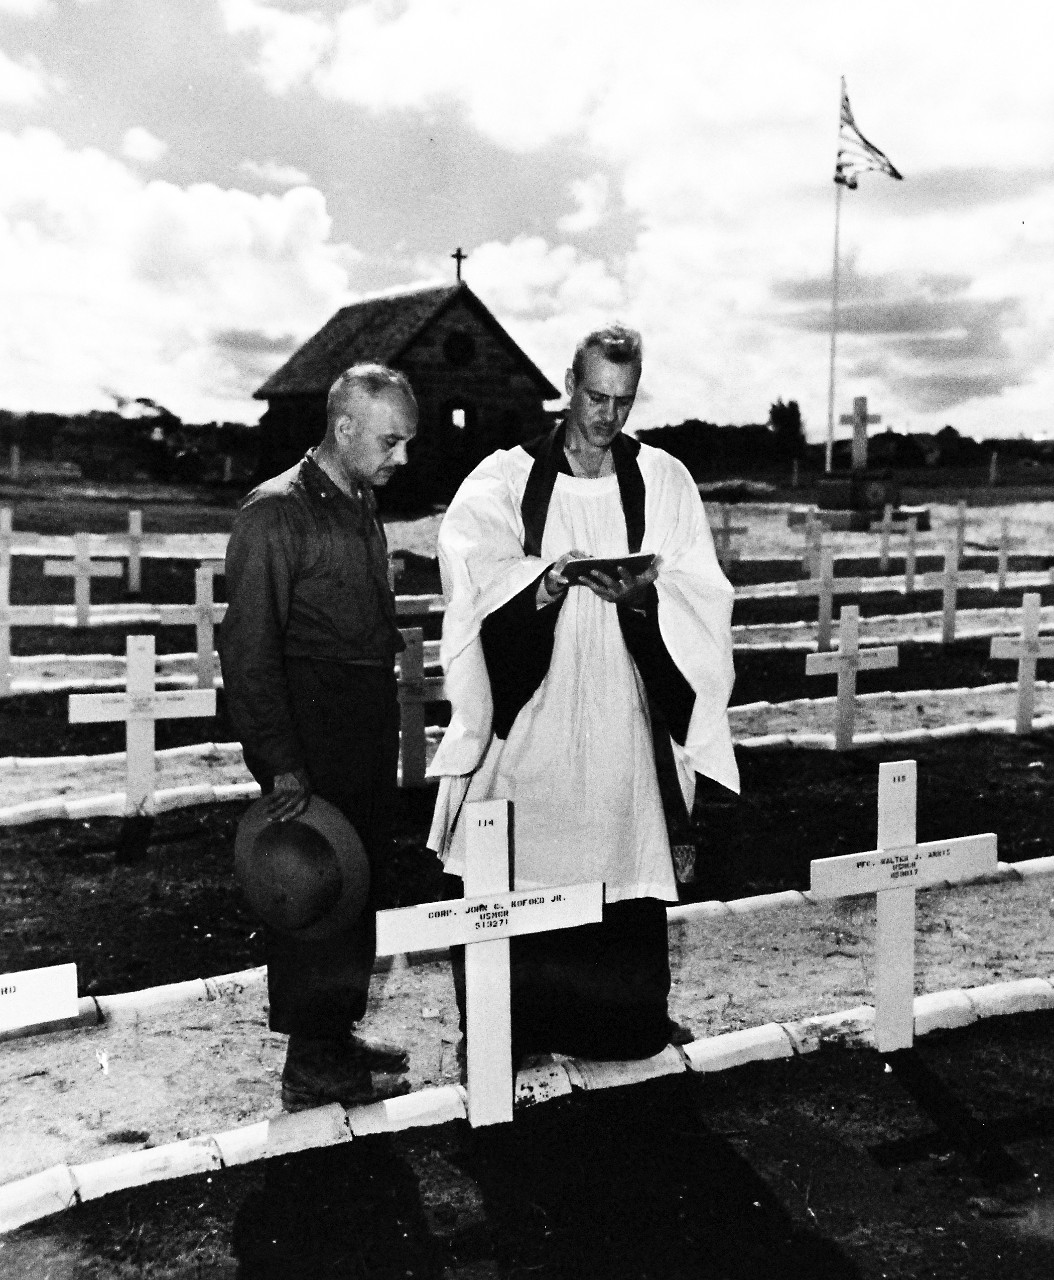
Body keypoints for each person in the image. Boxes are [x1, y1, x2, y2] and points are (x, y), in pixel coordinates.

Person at [427, 323, 739, 1065]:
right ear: (569, 383)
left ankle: (617, 1025)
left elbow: (699, 590)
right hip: (533, 705)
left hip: (622, 705)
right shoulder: (506, 477)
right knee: (516, 848)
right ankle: (512, 1030)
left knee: (616, 849)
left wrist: (639, 597)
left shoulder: (662, 478)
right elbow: (472, 570)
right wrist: (544, 582)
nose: (606, 416)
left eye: (622, 401)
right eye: (595, 395)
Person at [219, 362, 417, 1111]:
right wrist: (279, 762)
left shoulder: (359, 501)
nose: (402, 458)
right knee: (313, 885)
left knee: (357, 887)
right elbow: (249, 649)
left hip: (360, 721)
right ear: (345, 428)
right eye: (392, 442)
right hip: (311, 726)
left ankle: (334, 1036)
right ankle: (309, 1060)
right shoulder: (276, 512)